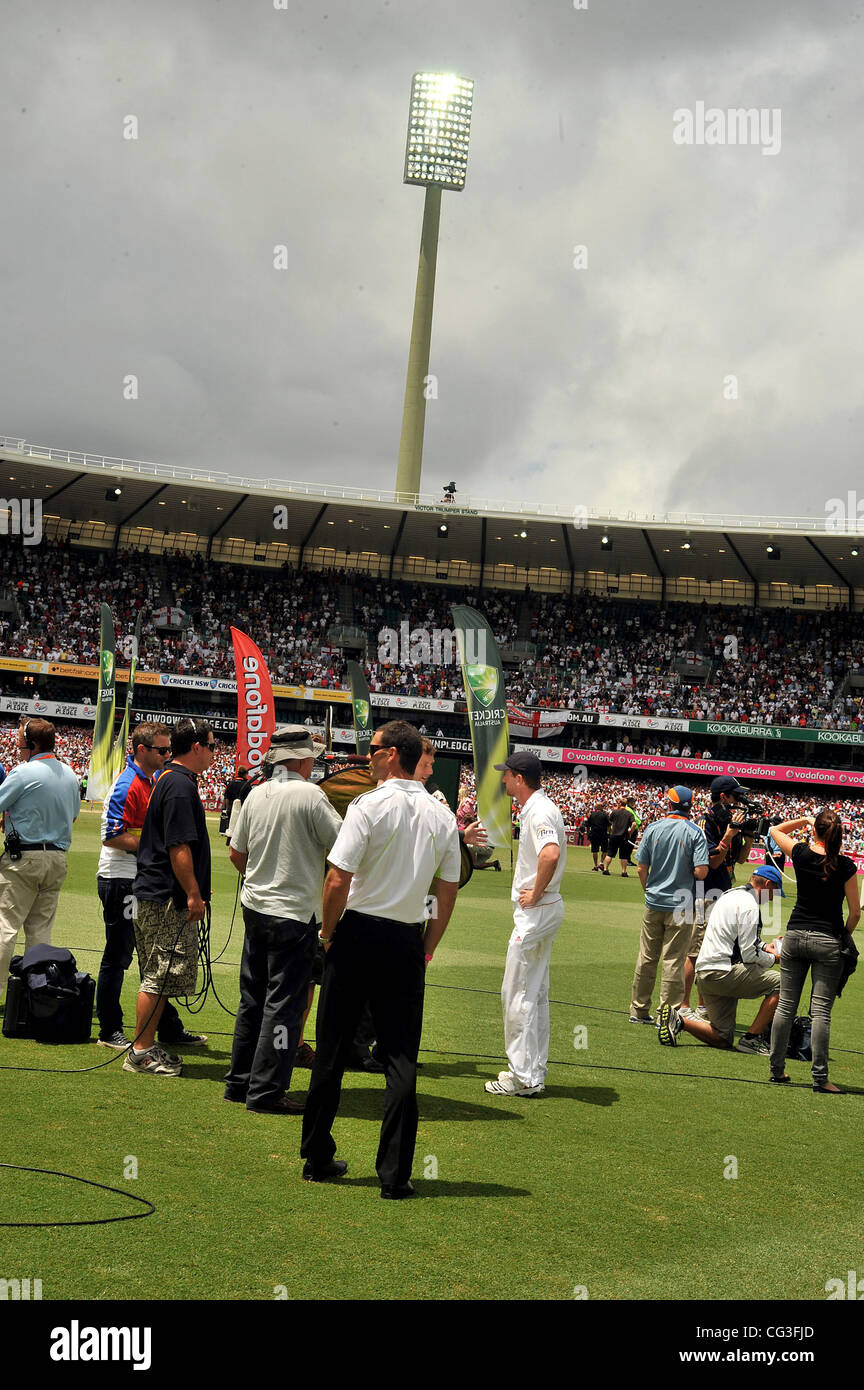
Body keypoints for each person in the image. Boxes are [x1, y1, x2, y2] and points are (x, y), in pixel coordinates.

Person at [300, 720, 461, 1198]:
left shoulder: (368, 805)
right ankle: (395, 1174)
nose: (365, 756)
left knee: (330, 1048)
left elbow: (336, 878)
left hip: (357, 933)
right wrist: (427, 944)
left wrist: (328, 934)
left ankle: (317, 1156)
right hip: (405, 940)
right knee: (399, 1058)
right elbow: (447, 892)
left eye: (372, 750)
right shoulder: (441, 816)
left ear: (393, 754)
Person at [224, 726, 342, 1114]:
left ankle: (239, 1083)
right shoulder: (312, 795)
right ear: (302, 759)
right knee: (284, 1008)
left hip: (256, 907)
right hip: (293, 914)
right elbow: (344, 848)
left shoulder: (257, 793)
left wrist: (264, 877)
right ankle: (267, 1091)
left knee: (252, 1000)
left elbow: (236, 853)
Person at [95, 721, 205, 1050]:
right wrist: (152, 845)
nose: (167, 754)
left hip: (137, 875)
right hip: (120, 877)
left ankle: (168, 1027)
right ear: (141, 750)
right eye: (161, 750)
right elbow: (111, 835)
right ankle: (110, 1028)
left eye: (169, 749)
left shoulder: (154, 780)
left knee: (153, 959)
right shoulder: (129, 782)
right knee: (119, 956)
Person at [126, 718, 215, 1078]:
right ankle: (141, 1050)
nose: (214, 752)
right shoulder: (178, 785)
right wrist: (193, 894)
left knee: (156, 973)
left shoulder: (168, 778)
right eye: (211, 745)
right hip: (165, 896)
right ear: (196, 747)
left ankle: (145, 1044)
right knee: (160, 975)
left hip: (152, 892)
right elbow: (178, 846)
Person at [484, 750, 567, 1098]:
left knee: (515, 992)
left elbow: (550, 853)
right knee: (533, 993)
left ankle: (521, 1076)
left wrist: (535, 892)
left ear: (519, 777)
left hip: (538, 911)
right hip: (543, 910)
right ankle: (532, 1072)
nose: (503, 779)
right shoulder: (539, 807)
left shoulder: (539, 810)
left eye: (506, 774)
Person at [767, 810, 860, 1093]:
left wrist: (804, 821)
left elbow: (774, 830)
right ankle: (820, 1078)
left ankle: (777, 1070)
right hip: (828, 939)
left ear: (816, 830)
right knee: (821, 1012)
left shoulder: (801, 853)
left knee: (785, 1005)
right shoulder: (845, 865)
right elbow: (855, 913)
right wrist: (843, 935)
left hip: (795, 935)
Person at [657, 866, 784, 1052]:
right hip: (722, 973)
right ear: (767, 884)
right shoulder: (750, 906)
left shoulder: (730, 894)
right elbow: (749, 955)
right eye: (774, 892)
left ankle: (679, 1021)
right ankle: (752, 1039)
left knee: (723, 1038)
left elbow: (738, 940)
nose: (773, 898)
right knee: (781, 983)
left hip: (706, 974)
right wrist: (775, 958)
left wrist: (766, 947)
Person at [0, 718, 81, 1007]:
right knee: (40, 932)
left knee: (5, 926)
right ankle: (35, 995)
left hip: (24, 857)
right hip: (57, 858)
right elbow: (73, 817)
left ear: (33, 744)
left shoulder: (22, 772)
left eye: (21, 744)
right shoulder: (71, 774)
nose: (18, 749)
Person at [629, 786, 709, 1024]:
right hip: (682, 904)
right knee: (673, 960)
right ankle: (668, 1015)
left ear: (670, 804)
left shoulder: (653, 829)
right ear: (690, 805)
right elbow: (701, 873)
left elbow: (641, 868)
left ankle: (639, 1010)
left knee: (646, 957)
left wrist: (650, 891)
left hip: (654, 902)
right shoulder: (696, 832)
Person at [683, 775, 755, 1013]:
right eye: (736, 796)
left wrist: (748, 837)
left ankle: (705, 1005)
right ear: (723, 797)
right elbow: (712, 863)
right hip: (704, 893)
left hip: (724, 893)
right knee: (695, 951)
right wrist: (728, 836)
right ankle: (685, 1005)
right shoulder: (705, 823)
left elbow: (742, 859)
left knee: (714, 950)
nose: (739, 802)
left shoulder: (729, 823)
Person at [601, 800, 635, 877]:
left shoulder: (614, 812)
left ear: (620, 804)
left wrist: (610, 831)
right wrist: (630, 833)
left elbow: (609, 822)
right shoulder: (629, 814)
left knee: (610, 853)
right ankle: (624, 872)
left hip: (614, 835)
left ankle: (606, 869)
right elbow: (634, 824)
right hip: (624, 836)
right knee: (624, 855)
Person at [586, 803, 609, 871]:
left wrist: (588, 833)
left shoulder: (592, 815)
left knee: (595, 850)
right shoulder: (605, 815)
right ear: (599, 807)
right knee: (605, 850)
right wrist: (608, 833)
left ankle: (595, 865)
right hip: (603, 834)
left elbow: (588, 825)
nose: (603, 807)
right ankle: (601, 862)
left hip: (594, 834)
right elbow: (609, 825)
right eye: (602, 806)